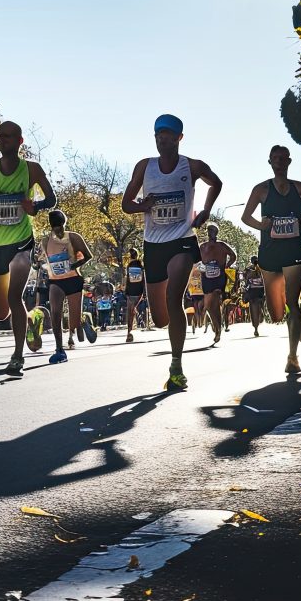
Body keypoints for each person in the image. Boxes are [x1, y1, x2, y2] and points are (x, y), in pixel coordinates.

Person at [122, 114, 221, 392]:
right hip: (153, 244)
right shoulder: (145, 167)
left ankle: (176, 367)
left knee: (173, 297)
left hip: (182, 240)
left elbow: (216, 183)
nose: (161, 139)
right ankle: (173, 343)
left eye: (167, 134)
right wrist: (143, 206)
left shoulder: (193, 166)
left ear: (179, 138)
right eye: (158, 135)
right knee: (160, 318)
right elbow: (126, 204)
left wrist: (206, 210)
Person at [0, 121, 56, 377]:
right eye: (0, 136)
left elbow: (52, 199)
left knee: (14, 297)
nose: (3, 140)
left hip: (21, 242)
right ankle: (32, 319)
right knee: (1, 313)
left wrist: (36, 207)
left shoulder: (32, 169)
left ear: (20, 141)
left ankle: (17, 357)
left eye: (9, 136)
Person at [240, 145, 301, 375]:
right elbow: (245, 217)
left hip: (294, 251)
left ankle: (292, 357)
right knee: (276, 312)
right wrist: (261, 226)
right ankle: (300, 319)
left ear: (289, 161)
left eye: (282, 158)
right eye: (275, 158)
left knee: (291, 301)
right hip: (269, 253)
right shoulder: (261, 189)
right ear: (269, 162)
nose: (278, 161)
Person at [39, 210, 94, 364]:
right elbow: (45, 261)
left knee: (74, 321)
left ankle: (84, 321)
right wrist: (40, 264)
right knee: (55, 312)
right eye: (55, 226)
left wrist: (73, 265)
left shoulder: (73, 237)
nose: (58, 229)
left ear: (64, 223)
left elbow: (88, 256)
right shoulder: (45, 240)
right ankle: (59, 349)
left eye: (60, 225)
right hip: (55, 281)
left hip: (73, 280)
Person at [198, 223, 236, 345]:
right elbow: (196, 260)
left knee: (215, 300)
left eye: (213, 231)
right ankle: (217, 326)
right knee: (209, 305)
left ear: (217, 233)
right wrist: (201, 268)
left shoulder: (222, 245)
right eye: (209, 231)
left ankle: (218, 329)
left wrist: (227, 265)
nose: (211, 233)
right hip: (206, 278)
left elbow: (233, 256)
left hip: (219, 277)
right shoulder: (202, 246)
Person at [123, 248, 146, 343]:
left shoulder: (129, 266)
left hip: (130, 291)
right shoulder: (140, 266)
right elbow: (143, 279)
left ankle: (129, 332)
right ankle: (132, 331)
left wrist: (125, 291)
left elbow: (127, 279)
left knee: (130, 313)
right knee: (133, 310)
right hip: (139, 291)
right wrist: (144, 291)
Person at [244, 255, 266, 336]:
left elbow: (246, 280)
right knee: (261, 305)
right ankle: (263, 312)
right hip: (261, 291)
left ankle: (256, 328)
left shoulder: (248, 269)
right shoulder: (262, 268)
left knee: (253, 311)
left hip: (252, 292)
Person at [186, 264, 205, 334]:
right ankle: (200, 323)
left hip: (194, 293)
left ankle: (199, 323)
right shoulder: (201, 271)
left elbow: (188, 283)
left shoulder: (191, 271)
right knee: (200, 309)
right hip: (200, 293)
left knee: (197, 309)